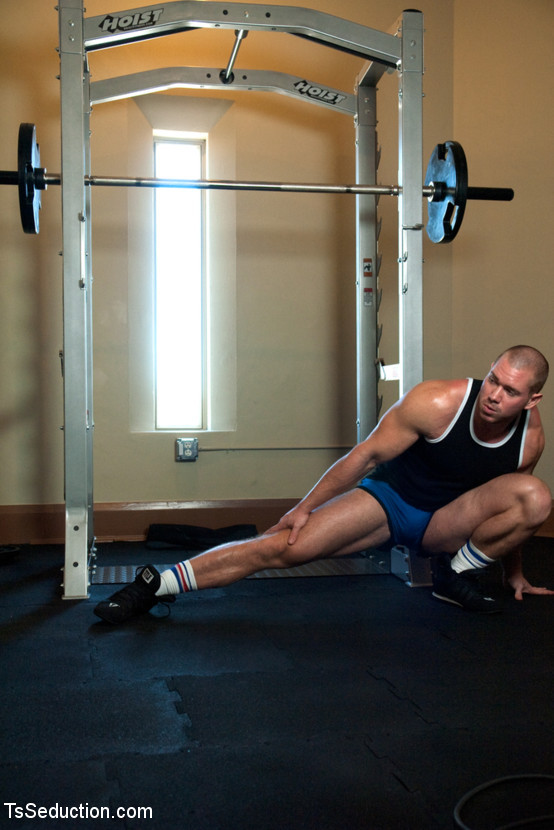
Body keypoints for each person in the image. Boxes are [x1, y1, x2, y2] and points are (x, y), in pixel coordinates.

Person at [94, 345, 553, 624]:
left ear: (532, 398)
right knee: (280, 548)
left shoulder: (529, 440)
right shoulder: (437, 401)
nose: (494, 395)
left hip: (447, 525)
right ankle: (155, 586)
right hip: (389, 502)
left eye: (510, 391)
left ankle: (453, 576)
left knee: (535, 497)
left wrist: (513, 573)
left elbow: (509, 507)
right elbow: (366, 454)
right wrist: (304, 507)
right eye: (493, 379)